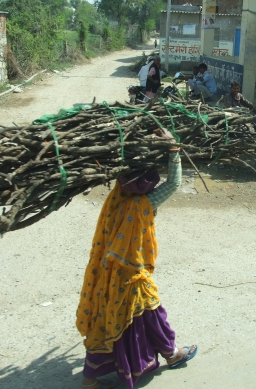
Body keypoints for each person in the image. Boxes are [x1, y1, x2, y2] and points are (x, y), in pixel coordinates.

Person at [77, 129, 198, 389]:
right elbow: (174, 184)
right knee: (153, 314)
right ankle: (172, 354)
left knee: (106, 318)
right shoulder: (143, 203)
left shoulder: (116, 197)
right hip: (132, 274)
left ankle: (89, 379)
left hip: (107, 271)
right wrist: (174, 150)